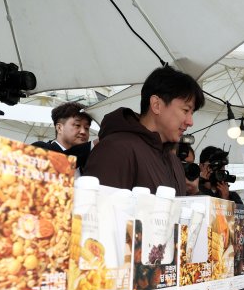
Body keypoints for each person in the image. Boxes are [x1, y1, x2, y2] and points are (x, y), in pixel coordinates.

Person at [82, 66, 204, 194]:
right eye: (185, 110)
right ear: (156, 105)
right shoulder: (116, 150)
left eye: (192, 113)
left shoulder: (175, 163)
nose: (190, 122)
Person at [32, 102, 93, 171]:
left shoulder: (88, 161)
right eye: (77, 125)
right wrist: (92, 145)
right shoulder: (40, 149)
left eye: (87, 128)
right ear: (59, 128)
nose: (83, 132)